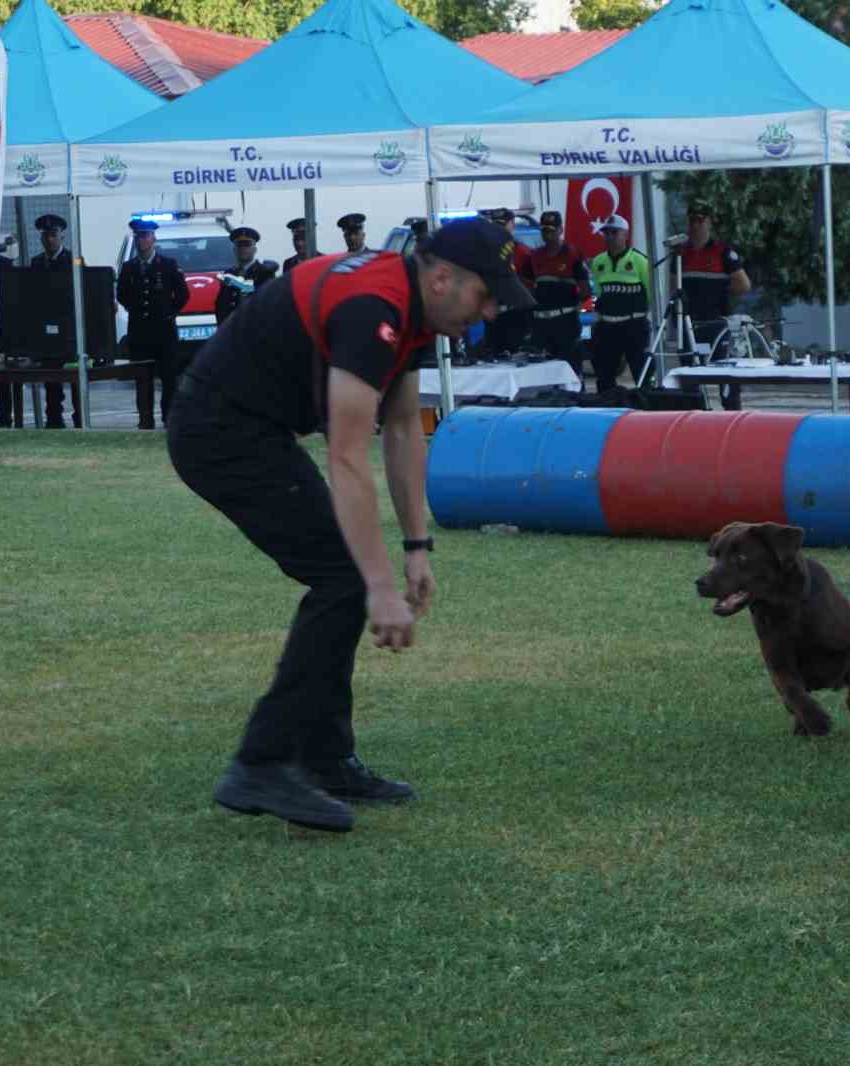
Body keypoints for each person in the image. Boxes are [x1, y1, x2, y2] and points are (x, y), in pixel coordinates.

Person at [166, 217, 536, 832]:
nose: (491, 312)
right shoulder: (374, 307)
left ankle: (326, 758)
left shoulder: (415, 303)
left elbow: (400, 428)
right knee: (345, 577)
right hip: (219, 431)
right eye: (485, 294)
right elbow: (346, 453)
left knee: (345, 575)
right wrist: (382, 586)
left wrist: (417, 547)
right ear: (442, 276)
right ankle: (261, 762)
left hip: (254, 427)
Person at [115, 218, 190, 427]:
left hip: (164, 332)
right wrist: (135, 309)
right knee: (143, 379)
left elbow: (183, 295)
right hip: (140, 332)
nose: (141, 240)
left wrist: (168, 312)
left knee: (169, 380)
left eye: (145, 236)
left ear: (153, 238)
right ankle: (145, 420)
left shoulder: (168, 265)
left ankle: (169, 420)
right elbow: (121, 293)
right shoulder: (129, 268)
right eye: (138, 236)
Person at [523, 210, 590, 380]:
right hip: (541, 325)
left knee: (571, 371)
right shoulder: (534, 256)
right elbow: (527, 289)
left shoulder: (573, 254)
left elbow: (585, 290)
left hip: (565, 324)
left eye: (552, 230)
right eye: (544, 230)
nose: (548, 234)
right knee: (542, 372)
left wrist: (572, 306)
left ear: (561, 230)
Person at [587, 215, 652, 393]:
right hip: (607, 327)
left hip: (634, 326)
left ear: (625, 234)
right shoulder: (598, 261)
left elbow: (652, 293)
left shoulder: (639, 260)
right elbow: (600, 293)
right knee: (604, 376)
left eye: (614, 233)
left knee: (643, 374)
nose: (609, 237)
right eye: (606, 233)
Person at [32, 214, 83, 429]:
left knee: (75, 378)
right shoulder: (37, 263)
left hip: (69, 330)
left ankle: (80, 417)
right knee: (51, 379)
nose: (49, 240)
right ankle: (54, 418)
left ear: (61, 235)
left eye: (53, 235)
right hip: (46, 332)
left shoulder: (73, 261)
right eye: (45, 236)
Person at [679, 200, 751, 349]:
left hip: (716, 323)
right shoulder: (681, 253)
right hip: (688, 324)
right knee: (689, 368)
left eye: (700, 220)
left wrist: (718, 292)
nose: (695, 225)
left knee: (716, 367)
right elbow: (674, 288)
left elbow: (744, 285)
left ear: (709, 222)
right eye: (692, 220)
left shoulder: (722, 252)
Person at [479, 208, 531, 355]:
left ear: (512, 225)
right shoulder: (484, 253)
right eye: (495, 225)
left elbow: (531, 286)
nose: (498, 229)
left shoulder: (522, 252)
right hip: (492, 318)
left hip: (516, 317)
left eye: (502, 225)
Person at [213, 226, 278, 327]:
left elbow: (268, 305)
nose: (243, 248)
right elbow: (221, 305)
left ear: (255, 249)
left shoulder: (264, 273)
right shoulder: (229, 273)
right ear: (234, 249)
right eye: (239, 244)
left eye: (247, 244)